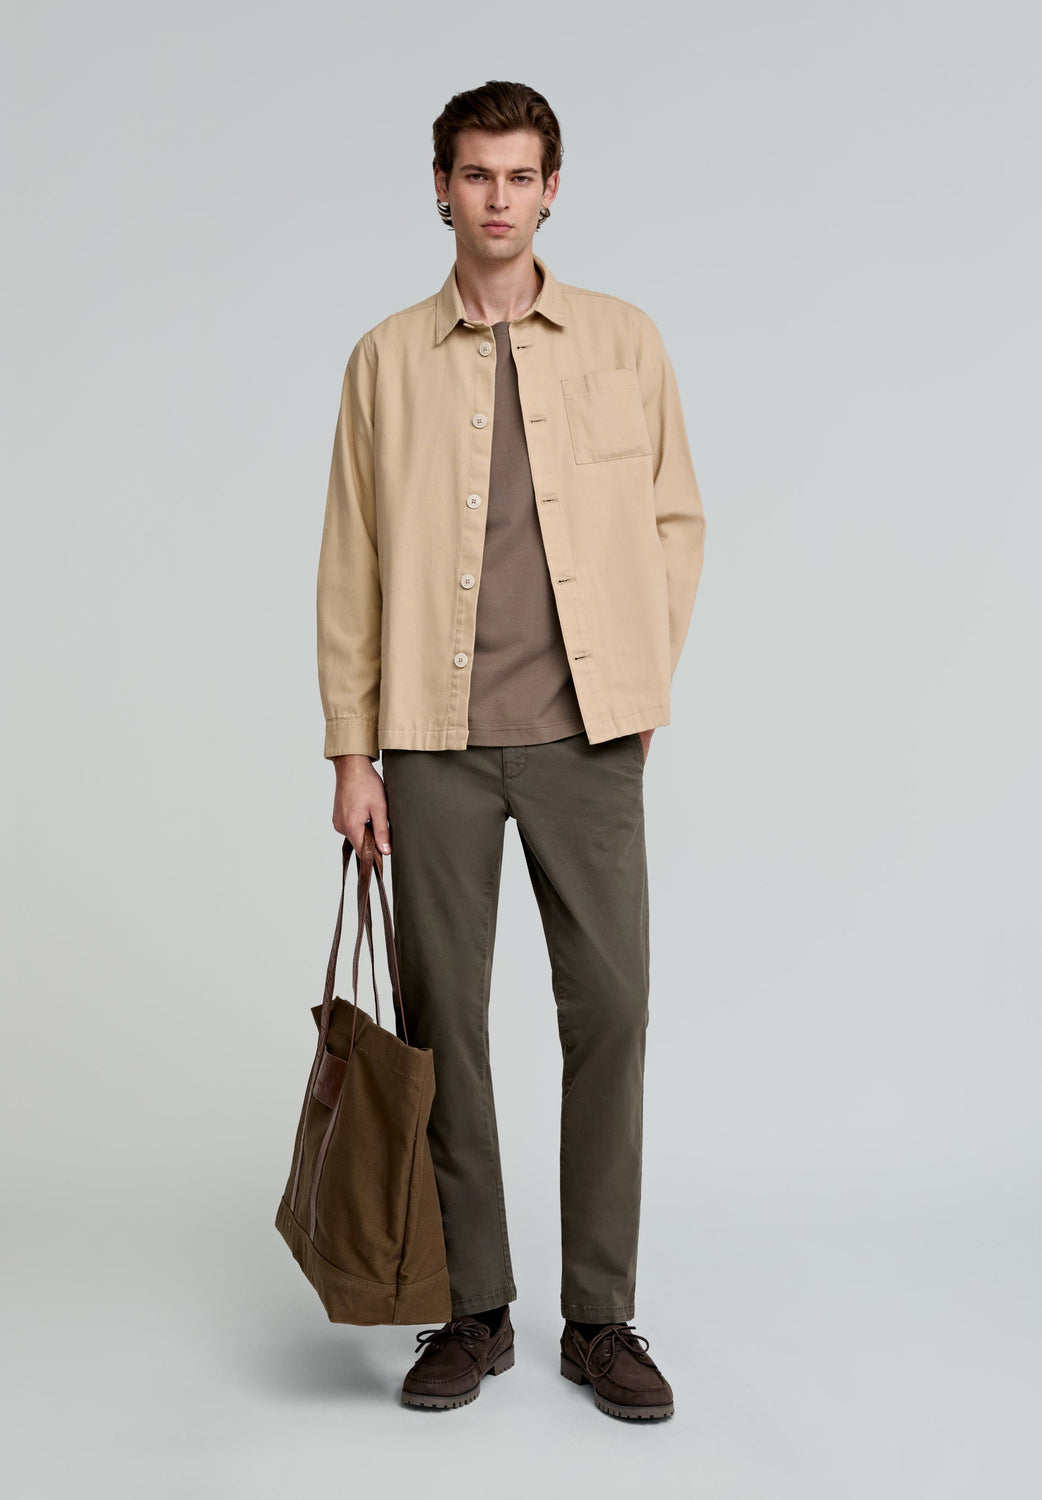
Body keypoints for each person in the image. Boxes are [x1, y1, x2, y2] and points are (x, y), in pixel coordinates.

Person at [315, 79, 706, 1420]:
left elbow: (675, 519)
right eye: (474, 174)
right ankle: (471, 1309)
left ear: (551, 190)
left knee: (611, 1012)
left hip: (587, 739)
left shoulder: (621, 341)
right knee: (446, 1028)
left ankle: (600, 1317)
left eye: (519, 175)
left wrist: (641, 682)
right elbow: (352, 562)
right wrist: (351, 754)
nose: (497, 197)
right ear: (440, 187)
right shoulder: (383, 361)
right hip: (430, 745)